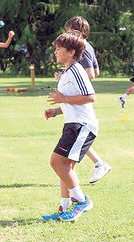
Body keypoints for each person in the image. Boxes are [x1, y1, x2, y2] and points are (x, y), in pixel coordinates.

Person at [42, 32, 97, 222]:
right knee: (66, 168)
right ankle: (64, 208)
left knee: (57, 162)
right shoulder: (67, 72)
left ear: (72, 52)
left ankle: (81, 201)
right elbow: (72, 101)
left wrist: (63, 99)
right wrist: (57, 110)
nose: (55, 52)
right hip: (72, 124)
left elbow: (90, 96)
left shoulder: (77, 70)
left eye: (59, 49)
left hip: (81, 125)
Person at [63, 16, 111, 184]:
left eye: (69, 31)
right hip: (76, 98)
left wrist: (72, 78)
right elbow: (96, 71)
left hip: (79, 99)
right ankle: (93, 165)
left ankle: (71, 173)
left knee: (77, 134)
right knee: (77, 137)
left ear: (77, 32)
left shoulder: (83, 47)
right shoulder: (86, 46)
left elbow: (90, 73)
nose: (66, 35)